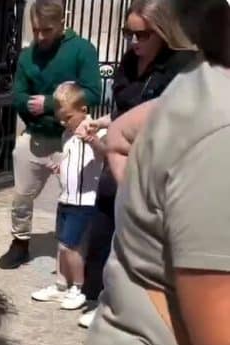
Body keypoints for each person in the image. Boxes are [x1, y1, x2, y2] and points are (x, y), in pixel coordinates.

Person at [77, 0, 230, 345]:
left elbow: (121, 134)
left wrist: (152, 203)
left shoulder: (202, 80)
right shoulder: (220, 128)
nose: (133, 41)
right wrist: (158, 204)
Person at [75, 0, 197, 328]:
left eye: (142, 35)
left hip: (155, 166)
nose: (133, 41)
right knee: (104, 232)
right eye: (128, 33)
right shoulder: (129, 62)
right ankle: (101, 297)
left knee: (139, 241)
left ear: (164, 32)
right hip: (119, 162)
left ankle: (130, 308)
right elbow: (123, 110)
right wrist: (102, 123)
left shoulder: (185, 67)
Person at [0, 0, 102, 270]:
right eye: (36, 30)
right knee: (22, 195)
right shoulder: (27, 56)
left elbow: (92, 93)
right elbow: (18, 96)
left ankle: (69, 249)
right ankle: (20, 242)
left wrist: (49, 104)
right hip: (36, 135)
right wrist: (32, 107)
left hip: (71, 137)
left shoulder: (82, 50)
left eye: (47, 30)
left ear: (61, 24)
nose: (40, 36)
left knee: (72, 197)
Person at [29, 83, 105, 311]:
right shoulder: (67, 135)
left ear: (83, 109)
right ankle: (61, 285)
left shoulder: (97, 131)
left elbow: (105, 155)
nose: (65, 123)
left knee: (70, 246)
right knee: (61, 244)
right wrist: (59, 167)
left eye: (68, 117)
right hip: (65, 198)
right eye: (61, 119)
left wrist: (93, 140)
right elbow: (70, 161)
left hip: (84, 201)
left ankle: (78, 287)